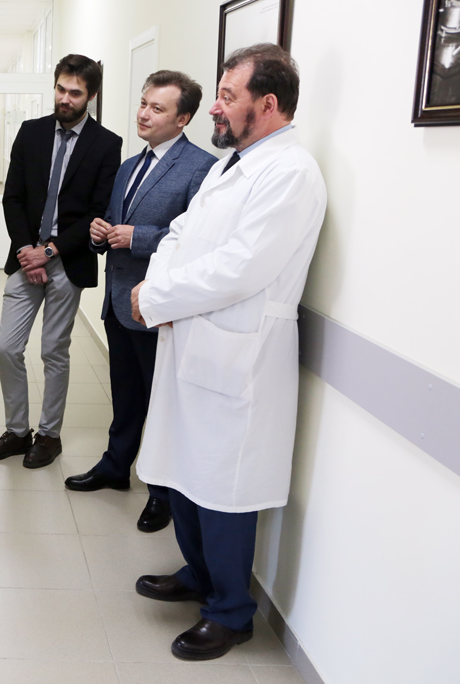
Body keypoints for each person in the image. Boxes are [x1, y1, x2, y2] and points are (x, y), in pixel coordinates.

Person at [130, 44, 327, 661]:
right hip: (192, 340)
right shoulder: (229, 167)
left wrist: (156, 295)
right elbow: (180, 234)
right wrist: (154, 286)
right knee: (186, 473)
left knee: (223, 488)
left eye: (226, 96)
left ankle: (231, 612)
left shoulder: (291, 173)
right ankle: (199, 575)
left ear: (266, 105)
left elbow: (241, 268)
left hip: (239, 356)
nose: (215, 107)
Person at [64, 71, 217, 535]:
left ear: (183, 118)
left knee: (163, 404)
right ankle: (116, 465)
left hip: (160, 307)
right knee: (126, 395)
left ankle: (162, 492)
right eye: (143, 103)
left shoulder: (202, 168)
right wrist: (99, 233)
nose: (144, 114)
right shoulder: (130, 165)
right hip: (119, 301)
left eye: (157, 108)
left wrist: (138, 237)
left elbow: (196, 241)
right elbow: (114, 223)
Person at [0, 54, 121, 469]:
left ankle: (49, 435)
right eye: (60, 89)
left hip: (67, 261)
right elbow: (13, 197)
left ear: (91, 96)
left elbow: (97, 212)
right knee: (6, 346)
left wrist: (50, 251)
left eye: (75, 92)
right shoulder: (31, 132)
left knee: (54, 349)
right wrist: (28, 250)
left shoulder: (106, 144)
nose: (65, 98)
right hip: (26, 258)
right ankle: (17, 432)